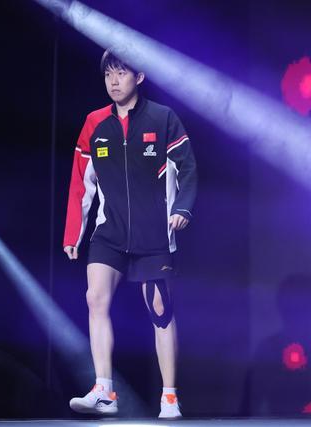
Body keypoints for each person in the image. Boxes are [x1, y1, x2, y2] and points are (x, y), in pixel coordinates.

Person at [62, 49, 197, 419]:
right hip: (110, 231)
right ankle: (104, 390)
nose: (114, 81)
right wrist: (73, 234)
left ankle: (169, 396)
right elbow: (81, 183)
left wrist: (182, 208)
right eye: (109, 74)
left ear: (139, 77)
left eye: (121, 73)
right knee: (95, 298)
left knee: (160, 311)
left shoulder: (163, 119)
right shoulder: (94, 123)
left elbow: (187, 169)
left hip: (154, 234)